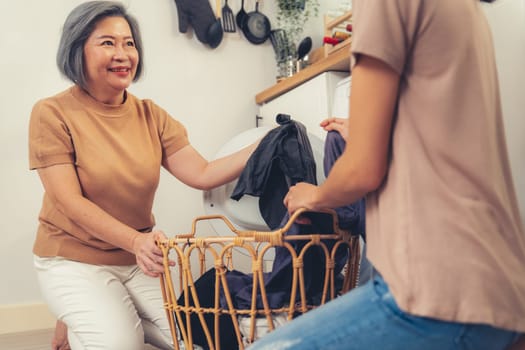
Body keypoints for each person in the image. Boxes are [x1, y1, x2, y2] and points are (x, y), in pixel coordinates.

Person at [249, 0, 525, 349]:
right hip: (498, 285)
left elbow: (362, 170)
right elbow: (443, 131)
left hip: (437, 293)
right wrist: (370, 132)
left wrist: (313, 194)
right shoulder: (464, 9)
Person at [28, 2, 259, 349]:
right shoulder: (52, 113)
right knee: (123, 343)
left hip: (137, 261)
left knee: (198, 340)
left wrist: (267, 143)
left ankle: (83, 315)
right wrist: (136, 242)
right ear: (78, 49)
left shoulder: (151, 115)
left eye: (129, 43)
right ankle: (82, 313)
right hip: (73, 258)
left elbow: (203, 172)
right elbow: (69, 201)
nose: (123, 54)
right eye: (108, 43)